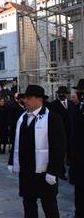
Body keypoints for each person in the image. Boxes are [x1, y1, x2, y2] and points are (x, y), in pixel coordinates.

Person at [8, 85, 66, 218]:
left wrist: (53, 171)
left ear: (39, 99)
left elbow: (59, 147)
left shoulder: (52, 118)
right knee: (28, 204)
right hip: (26, 172)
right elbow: (16, 141)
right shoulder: (22, 117)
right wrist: (12, 161)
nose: (25, 101)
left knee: (49, 205)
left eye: (28, 98)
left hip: (44, 172)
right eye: (24, 98)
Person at [49, 86, 73, 181]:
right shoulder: (53, 105)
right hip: (59, 132)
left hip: (70, 132)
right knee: (60, 153)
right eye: (60, 94)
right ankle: (61, 172)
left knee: (70, 153)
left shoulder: (71, 104)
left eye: (63, 93)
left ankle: (71, 173)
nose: (62, 95)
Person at [70, 79, 84, 218]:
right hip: (77, 156)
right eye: (79, 92)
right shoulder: (75, 108)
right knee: (79, 190)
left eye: (81, 92)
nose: (79, 94)